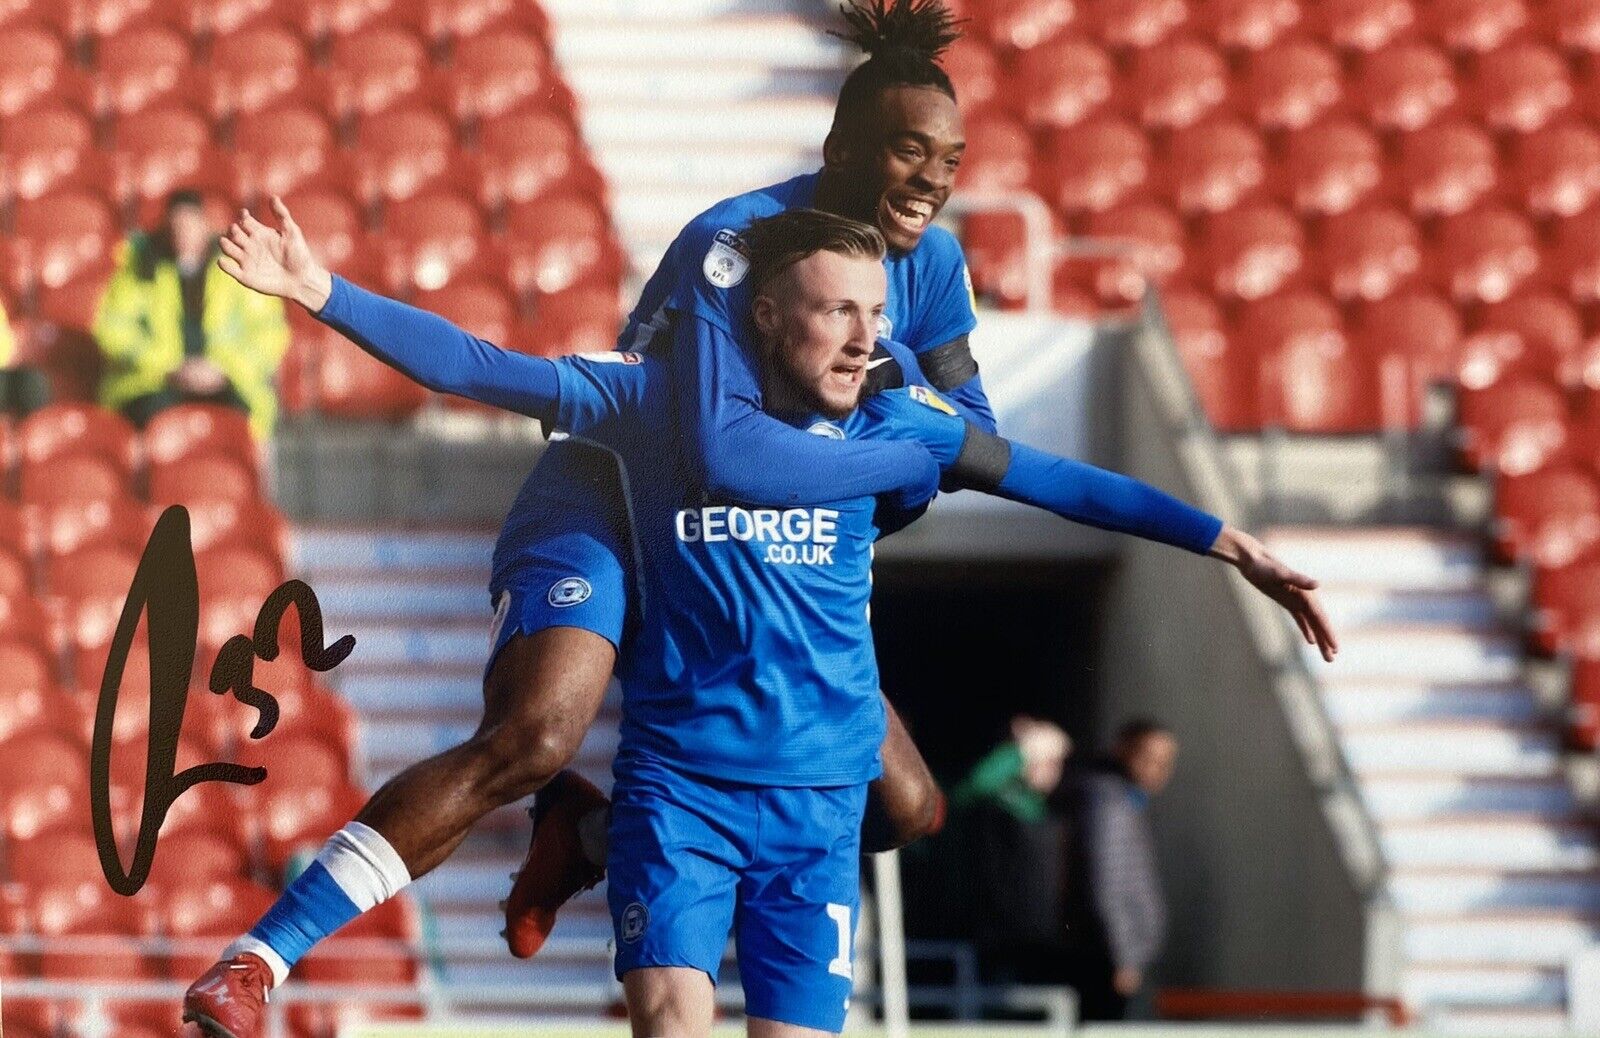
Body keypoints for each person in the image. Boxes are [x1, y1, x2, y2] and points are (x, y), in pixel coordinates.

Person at [185, 204, 1336, 1037]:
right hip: (683, 790)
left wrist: (1227, 543)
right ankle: (280, 946)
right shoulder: (655, 408)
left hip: (819, 803)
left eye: (875, 314)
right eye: (836, 310)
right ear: (767, 314)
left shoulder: (908, 428)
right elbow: (488, 370)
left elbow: (1058, 481)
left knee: (915, 810)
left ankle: (575, 841)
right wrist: (320, 293)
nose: (862, 336)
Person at [193, 6, 987, 1019]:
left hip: (747, 533)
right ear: (841, 151)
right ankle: (261, 957)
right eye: (908, 152)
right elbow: (659, 424)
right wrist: (323, 293)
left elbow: (967, 433)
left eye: (950, 158)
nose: (932, 178)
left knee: (907, 804)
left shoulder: (935, 269)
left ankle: (599, 838)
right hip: (617, 497)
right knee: (536, 733)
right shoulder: (731, 248)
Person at [92, 188, 289, 438]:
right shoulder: (141, 267)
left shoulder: (236, 269)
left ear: (205, 225)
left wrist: (222, 369)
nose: (182, 235)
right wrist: (167, 367)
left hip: (227, 382)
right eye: (176, 227)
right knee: (154, 420)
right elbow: (111, 328)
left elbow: (270, 332)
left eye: (189, 225)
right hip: (152, 383)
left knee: (238, 425)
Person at [1064, 719, 1179, 1021]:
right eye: (1150, 759)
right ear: (1124, 751)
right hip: (1116, 963)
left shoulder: (1123, 800)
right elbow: (1107, 884)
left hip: (1129, 957)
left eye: (1165, 762)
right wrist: (1124, 957)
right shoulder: (1110, 803)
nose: (1159, 770)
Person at [950, 716, 1073, 985]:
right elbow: (973, 788)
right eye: (1046, 761)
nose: (1054, 770)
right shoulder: (1002, 802)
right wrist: (1021, 751)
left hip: (1041, 936)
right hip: (1001, 934)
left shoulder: (1047, 805)